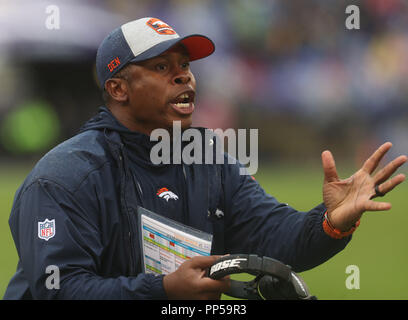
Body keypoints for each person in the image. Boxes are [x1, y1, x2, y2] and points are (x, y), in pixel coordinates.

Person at [4, 17, 407, 300]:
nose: (184, 77)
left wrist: (330, 222)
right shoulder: (65, 177)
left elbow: (275, 240)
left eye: (185, 66)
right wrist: (162, 291)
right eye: (161, 67)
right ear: (118, 89)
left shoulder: (206, 159)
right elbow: (58, 289)